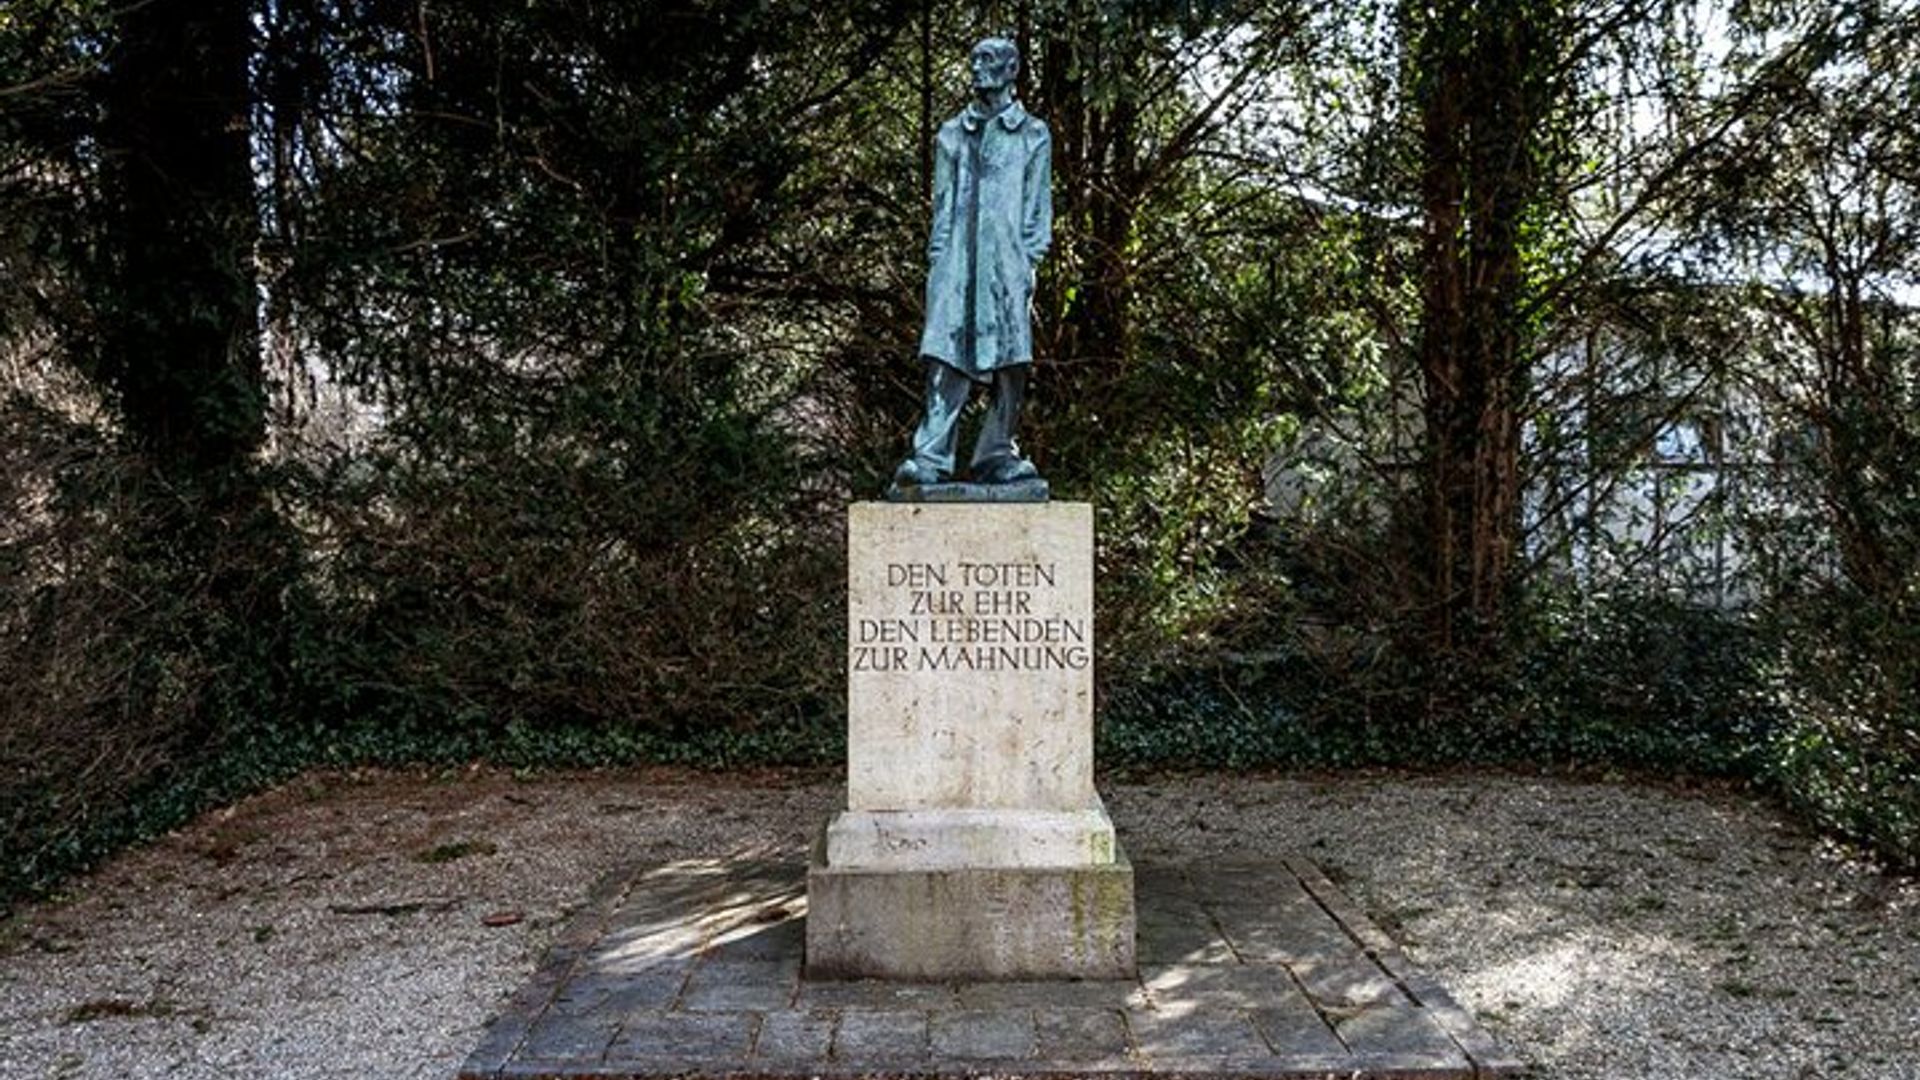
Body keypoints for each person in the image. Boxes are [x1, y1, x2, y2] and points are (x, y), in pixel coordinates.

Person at [893, 36, 1052, 489]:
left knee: (1011, 365)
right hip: (956, 266)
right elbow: (942, 209)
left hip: (1007, 266)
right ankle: (930, 457)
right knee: (944, 356)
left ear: (1010, 69)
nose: (976, 68)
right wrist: (937, 264)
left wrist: (1027, 263)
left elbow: (1037, 211)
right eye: (974, 59)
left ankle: (997, 454)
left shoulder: (1033, 133)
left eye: (987, 60)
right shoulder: (950, 133)